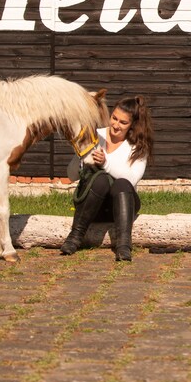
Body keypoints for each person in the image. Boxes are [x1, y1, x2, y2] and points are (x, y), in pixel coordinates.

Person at [61, 95, 154, 261]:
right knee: (101, 180)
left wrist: (106, 163)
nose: (115, 125)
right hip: (90, 207)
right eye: (114, 118)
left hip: (120, 208)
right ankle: (75, 237)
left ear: (133, 125)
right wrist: (81, 155)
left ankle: (124, 245)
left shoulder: (138, 146)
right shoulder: (95, 135)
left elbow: (132, 179)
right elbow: (71, 175)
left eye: (123, 122)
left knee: (122, 184)